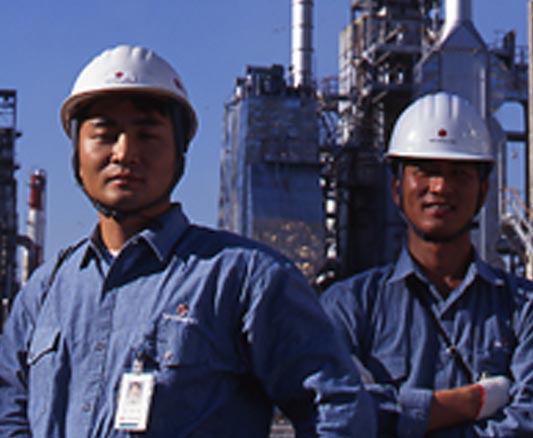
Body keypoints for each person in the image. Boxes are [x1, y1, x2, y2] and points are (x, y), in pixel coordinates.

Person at [0, 45, 375, 437]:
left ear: (180, 152)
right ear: (77, 152)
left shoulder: (244, 279)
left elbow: (337, 409)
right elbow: (8, 414)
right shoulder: (43, 294)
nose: (125, 153)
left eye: (147, 135)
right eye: (105, 134)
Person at [320, 92, 533, 437]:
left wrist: (398, 418)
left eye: (458, 173)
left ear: (483, 192)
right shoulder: (348, 307)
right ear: (397, 188)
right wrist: (472, 402)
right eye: (425, 171)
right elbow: (338, 419)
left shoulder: (531, 312)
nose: (440, 186)